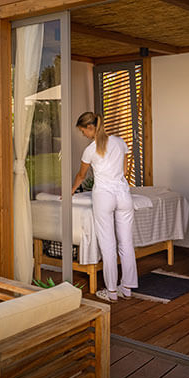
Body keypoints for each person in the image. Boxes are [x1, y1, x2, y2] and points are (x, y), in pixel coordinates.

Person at [70, 111, 137, 302]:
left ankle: (112, 292)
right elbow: (124, 171)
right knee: (126, 243)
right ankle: (127, 288)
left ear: (90, 128)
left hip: (104, 197)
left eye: (83, 131)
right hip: (123, 195)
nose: (83, 134)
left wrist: (71, 191)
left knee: (108, 245)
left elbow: (81, 176)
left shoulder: (90, 150)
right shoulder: (120, 142)